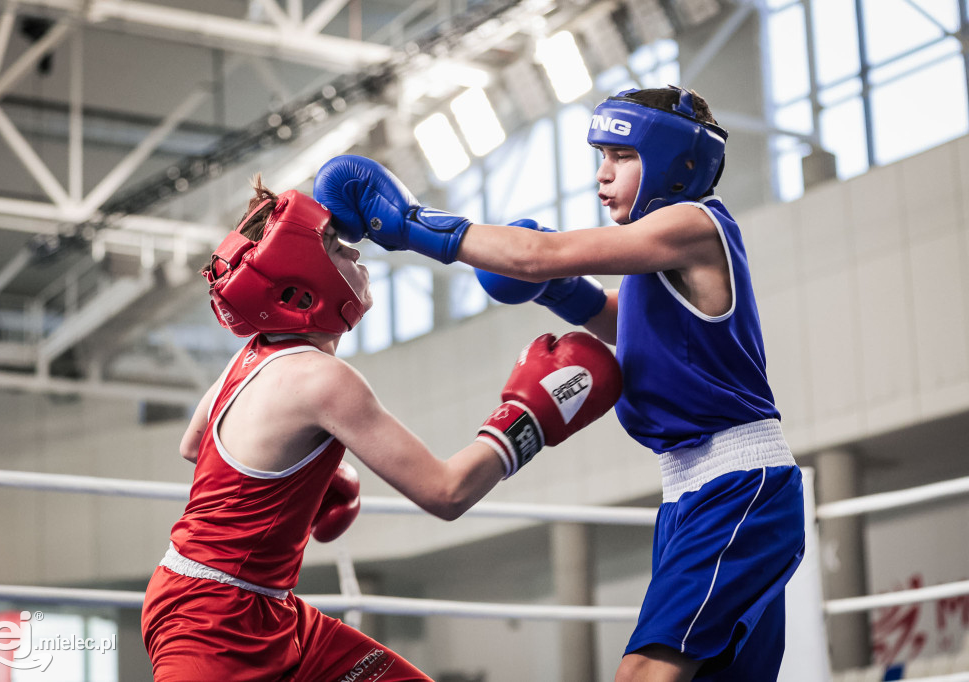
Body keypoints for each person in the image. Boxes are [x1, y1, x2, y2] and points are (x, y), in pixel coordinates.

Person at [312, 85, 806, 681]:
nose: (603, 175)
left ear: (677, 163)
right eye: (600, 156)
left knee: (644, 673)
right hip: (695, 490)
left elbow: (535, 254)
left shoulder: (692, 223)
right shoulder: (662, 258)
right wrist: (559, 293)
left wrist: (416, 226)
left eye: (622, 158)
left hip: (738, 484)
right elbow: (631, 321)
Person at [140, 181, 621, 682]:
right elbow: (445, 492)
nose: (353, 250)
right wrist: (530, 419)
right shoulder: (324, 380)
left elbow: (194, 445)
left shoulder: (254, 354)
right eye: (333, 245)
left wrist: (298, 476)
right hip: (209, 621)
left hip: (265, 610)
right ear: (301, 285)